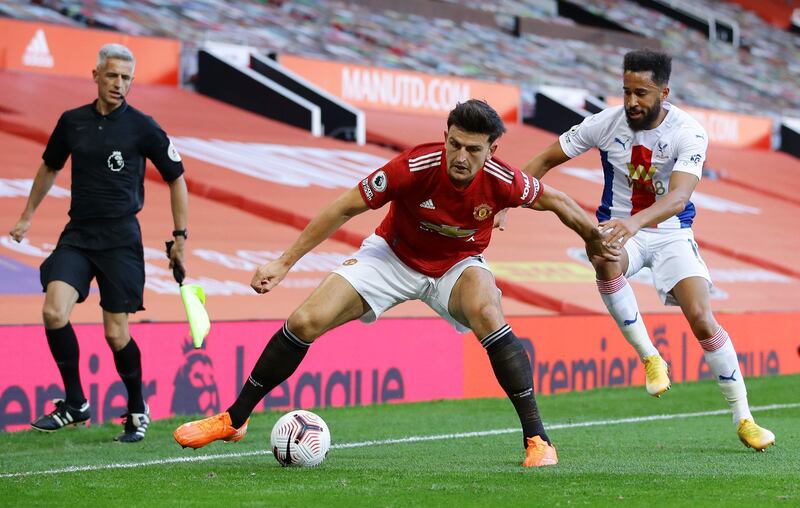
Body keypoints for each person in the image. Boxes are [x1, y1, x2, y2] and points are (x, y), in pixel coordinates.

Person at [173, 99, 617, 467]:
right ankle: (235, 418)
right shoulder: (413, 165)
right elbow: (345, 207)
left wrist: (594, 240)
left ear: (492, 150)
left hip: (456, 265)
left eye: (474, 150)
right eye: (455, 144)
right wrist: (285, 262)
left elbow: (559, 201)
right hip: (392, 256)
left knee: (487, 310)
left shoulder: (503, 180)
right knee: (306, 320)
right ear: (445, 136)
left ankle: (537, 440)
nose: (462, 157)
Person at [519, 49, 774, 451]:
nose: (632, 101)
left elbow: (679, 197)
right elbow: (545, 158)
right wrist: (504, 203)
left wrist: (634, 223)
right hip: (622, 232)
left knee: (703, 319)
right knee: (601, 253)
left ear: (663, 92)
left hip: (670, 231)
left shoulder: (688, 132)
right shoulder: (606, 123)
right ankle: (650, 357)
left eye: (641, 92)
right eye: (626, 92)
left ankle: (744, 418)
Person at [8, 43, 189, 443]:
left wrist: (180, 238)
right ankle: (76, 402)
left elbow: (176, 176)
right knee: (54, 311)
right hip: (78, 235)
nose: (119, 84)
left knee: (115, 334)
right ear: (95, 76)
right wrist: (26, 215)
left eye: (126, 78)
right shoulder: (72, 122)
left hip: (121, 239)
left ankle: (138, 407)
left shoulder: (142, 126)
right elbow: (49, 166)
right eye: (112, 76)